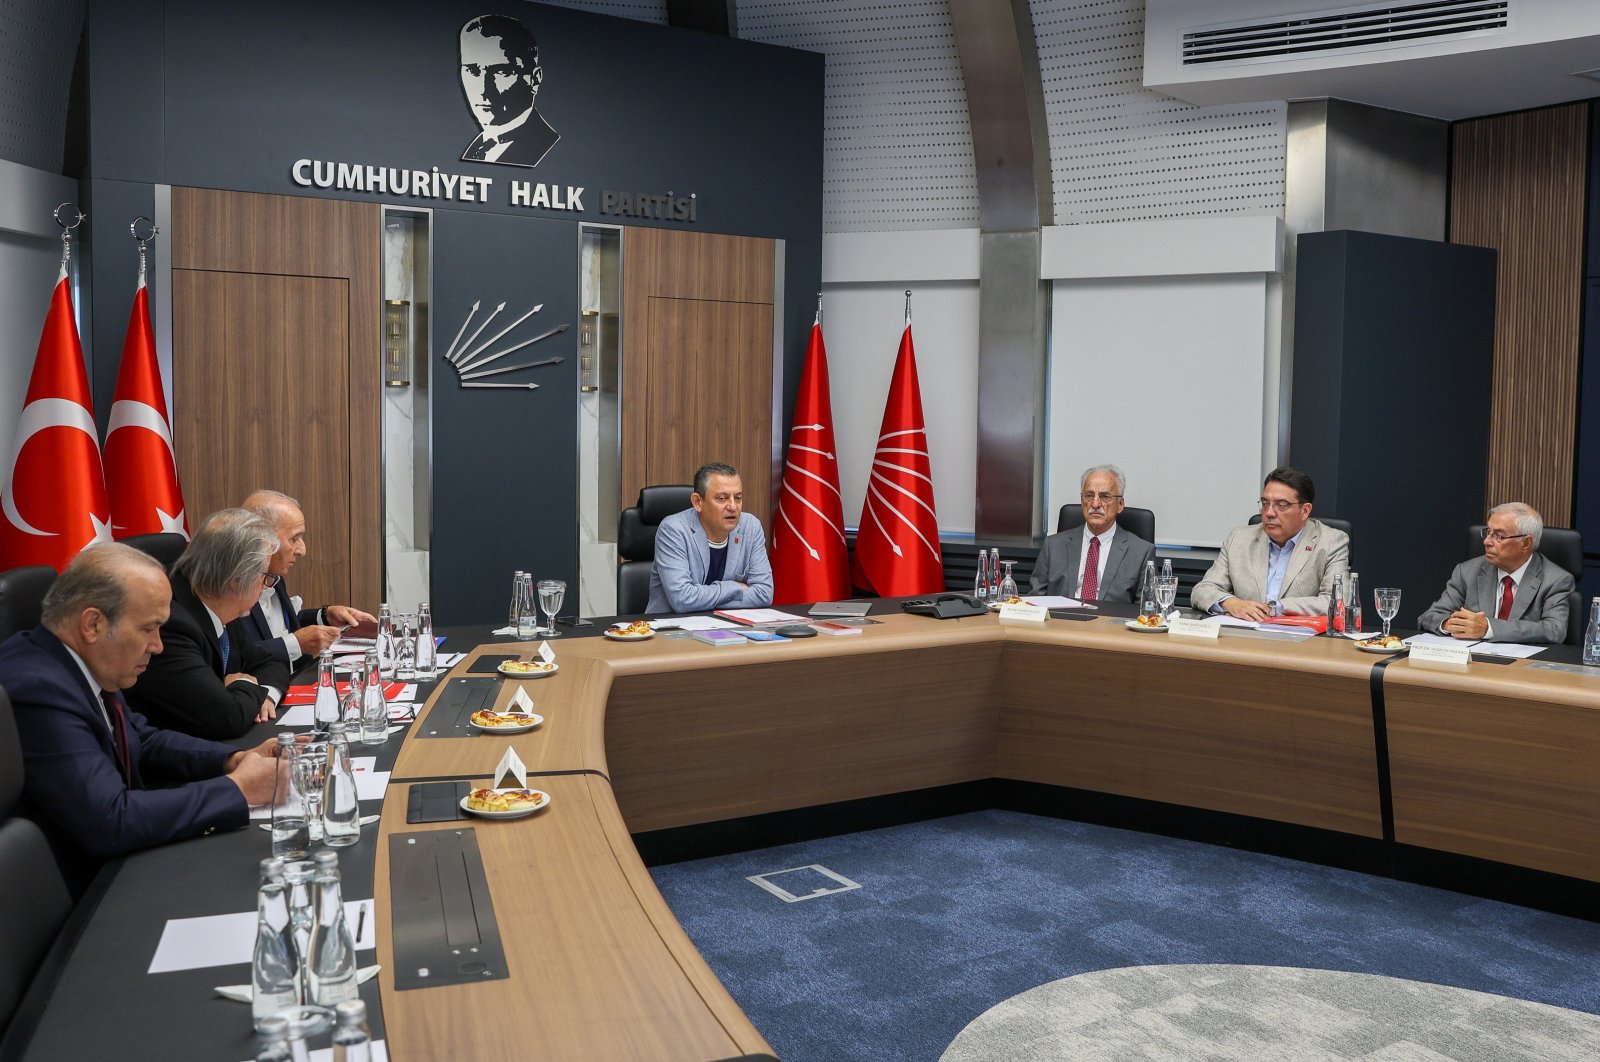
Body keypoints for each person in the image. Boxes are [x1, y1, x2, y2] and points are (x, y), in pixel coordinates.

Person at [0, 543, 280, 892]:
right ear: (93, 624)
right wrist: (238, 788)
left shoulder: (81, 659)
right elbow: (110, 820)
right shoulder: (38, 688)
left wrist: (234, 759)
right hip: (83, 900)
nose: (159, 645)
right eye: (149, 628)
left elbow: (142, 739)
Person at [124, 509, 290, 740]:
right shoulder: (170, 625)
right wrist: (244, 682)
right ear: (236, 580)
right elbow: (226, 718)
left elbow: (268, 663)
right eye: (264, 577)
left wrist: (268, 695)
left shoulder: (219, 602)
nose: (266, 586)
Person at [229, 489, 376, 668]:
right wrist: (295, 644)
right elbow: (230, 658)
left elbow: (278, 628)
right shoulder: (228, 589)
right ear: (261, 539)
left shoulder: (275, 575)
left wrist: (324, 616)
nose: (302, 550)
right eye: (295, 538)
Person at [1190, 467, 1350, 619]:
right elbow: (1202, 591)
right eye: (1265, 503)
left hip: (1300, 642)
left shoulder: (1331, 542)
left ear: (1305, 511)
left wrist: (1276, 607)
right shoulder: (1239, 539)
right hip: (1244, 640)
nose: (1269, 513)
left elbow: (1337, 602)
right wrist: (1231, 603)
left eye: (1281, 505)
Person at [1417, 502, 1573, 644]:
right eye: (1488, 532)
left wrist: (1488, 628)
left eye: (1499, 536)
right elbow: (1429, 617)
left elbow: (1555, 630)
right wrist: (1449, 624)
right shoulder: (1466, 572)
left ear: (1526, 543)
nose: (1486, 541)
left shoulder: (1556, 580)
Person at [645, 462, 774, 614]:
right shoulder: (673, 530)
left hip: (729, 627)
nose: (733, 506)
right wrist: (735, 586)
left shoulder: (750, 527)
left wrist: (702, 599)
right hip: (672, 629)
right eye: (722, 498)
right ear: (698, 502)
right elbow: (683, 600)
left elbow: (764, 594)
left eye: (738, 498)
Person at [1029, 464, 1155, 603]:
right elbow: (1035, 601)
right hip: (1062, 621)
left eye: (1105, 496)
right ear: (1082, 500)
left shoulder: (1141, 552)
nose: (1095, 504)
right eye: (1089, 495)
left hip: (1111, 623)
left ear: (1120, 505)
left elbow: (1145, 611)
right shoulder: (1053, 546)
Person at [459, 14, 560, 168]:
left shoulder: (547, 144)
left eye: (502, 72)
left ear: (535, 79)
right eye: (472, 70)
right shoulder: (476, 147)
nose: (484, 91)